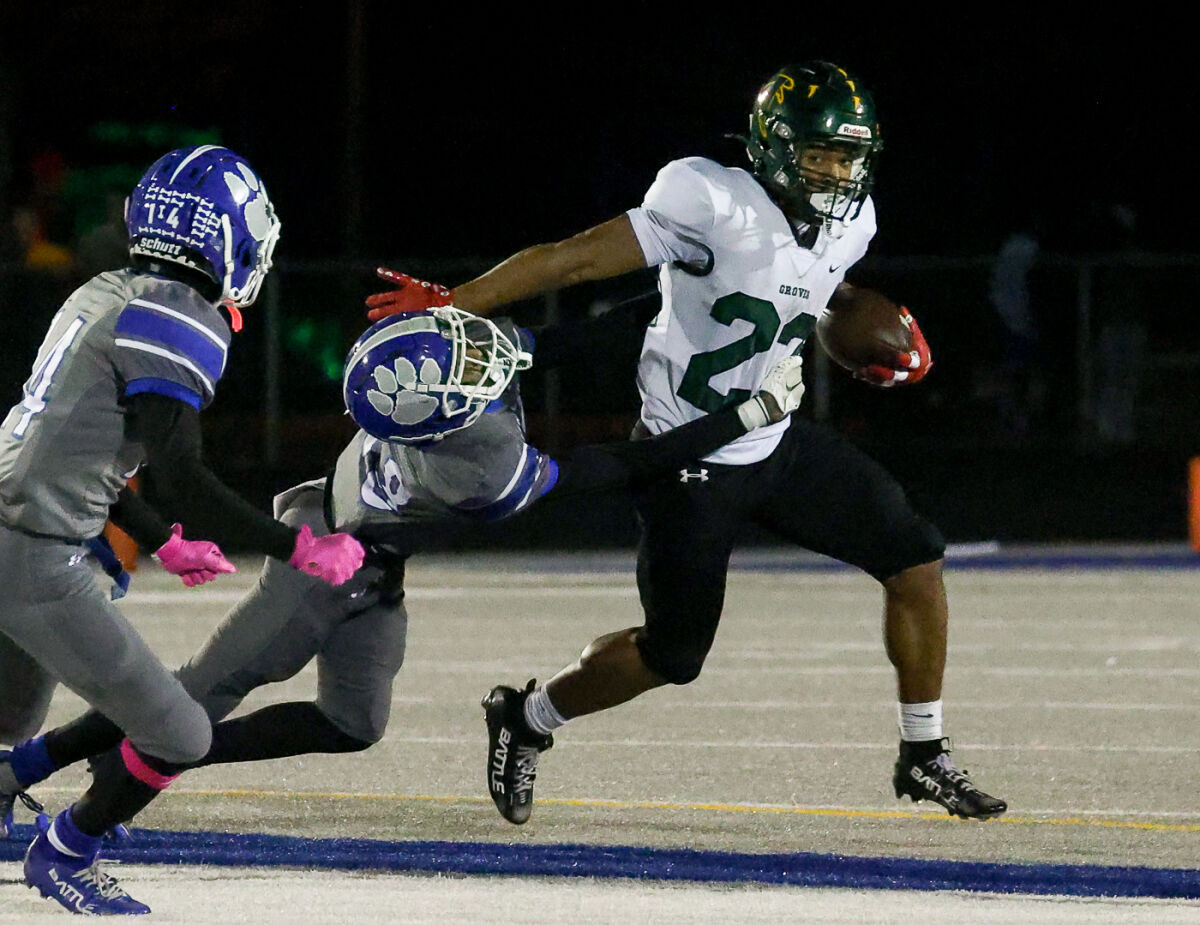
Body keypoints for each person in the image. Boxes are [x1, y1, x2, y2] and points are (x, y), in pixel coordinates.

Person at [362, 60, 1007, 825]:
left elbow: (810, 290)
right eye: (819, 155)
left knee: (916, 557)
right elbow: (575, 255)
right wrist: (455, 303)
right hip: (686, 457)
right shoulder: (710, 199)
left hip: (774, 436)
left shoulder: (852, 221)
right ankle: (528, 716)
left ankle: (923, 752)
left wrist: (866, 326)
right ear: (771, 149)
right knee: (673, 655)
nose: (836, 174)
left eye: (848, 157)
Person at [0, 305, 808, 859]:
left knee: (353, 721)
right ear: (446, 414)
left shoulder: (424, 384)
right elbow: (622, 464)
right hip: (322, 569)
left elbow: (529, 344)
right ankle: (25, 770)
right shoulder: (482, 465)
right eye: (467, 364)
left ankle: (152, 763)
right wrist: (744, 414)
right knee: (183, 699)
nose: (482, 359)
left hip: (371, 563)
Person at [0, 145, 365, 915]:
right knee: (181, 735)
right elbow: (185, 476)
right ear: (227, 237)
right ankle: (67, 850)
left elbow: (77, 451)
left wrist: (162, 539)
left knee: (11, 718)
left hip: (17, 527)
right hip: (31, 555)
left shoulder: (105, 291)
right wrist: (301, 546)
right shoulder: (179, 316)